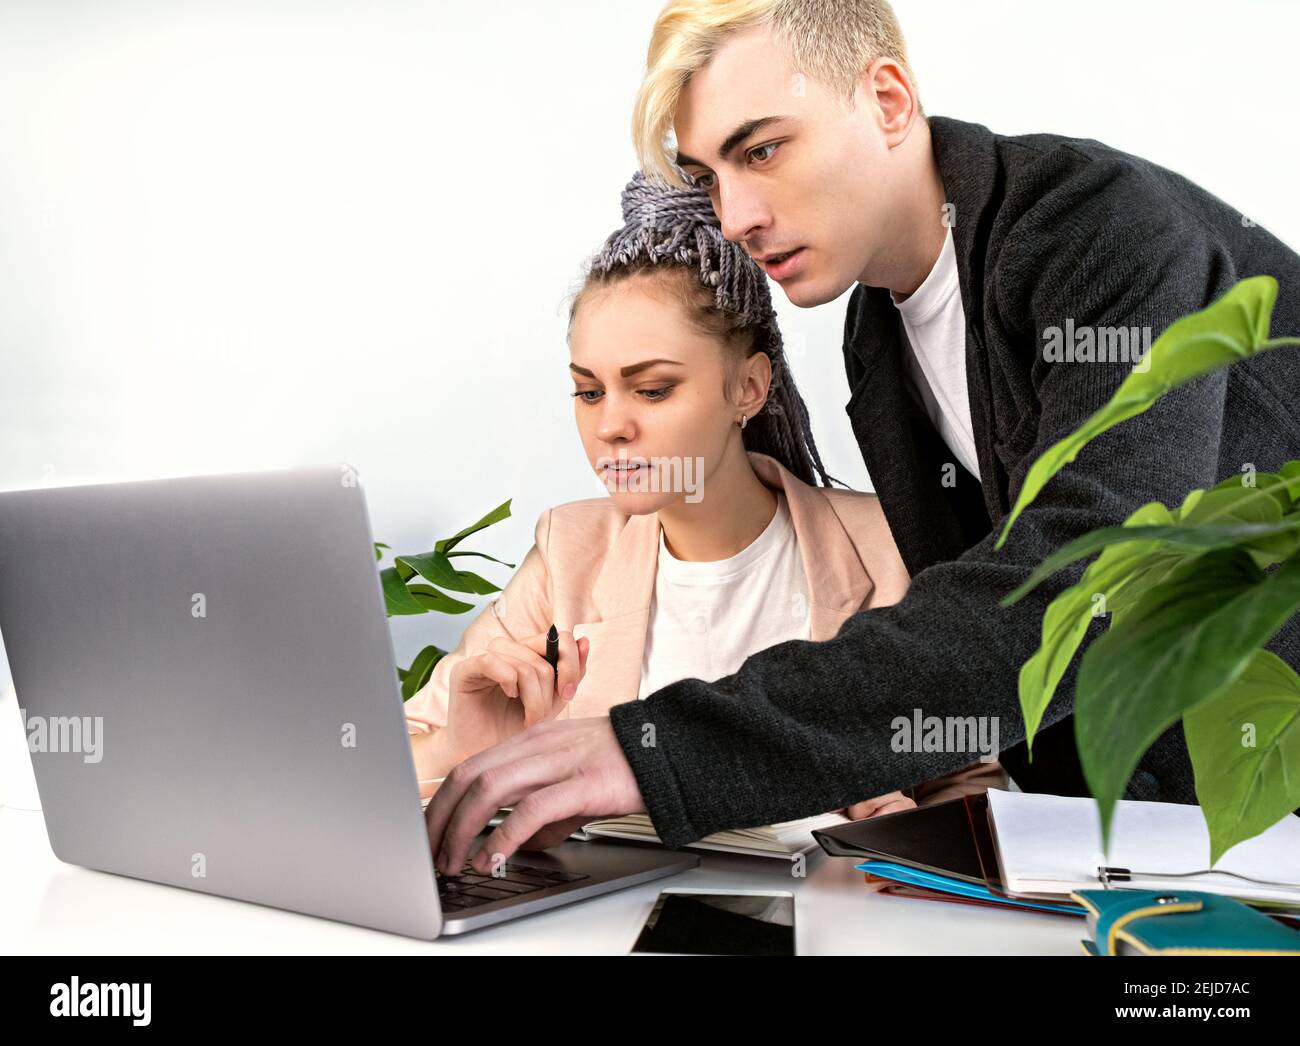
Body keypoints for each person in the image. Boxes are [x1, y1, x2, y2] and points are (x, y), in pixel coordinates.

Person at [425, 0, 1300, 878]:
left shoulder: (1100, 228)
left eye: (761, 150)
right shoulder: (874, 332)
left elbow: (1096, 573)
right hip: (1155, 847)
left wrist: (663, 751)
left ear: (887, 99)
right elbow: (985, 632)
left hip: (1264, 809)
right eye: (709, 176)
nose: (733, 216)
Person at [406, 171, 1005, 829]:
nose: (611, 426)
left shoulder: (890, 550)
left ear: (747, 388)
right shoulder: (568, 555)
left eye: (653, 389)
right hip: (617, 925)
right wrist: (468, 750)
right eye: (589, 391)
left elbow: (980, 795)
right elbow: (396, 765)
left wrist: (901, 829)